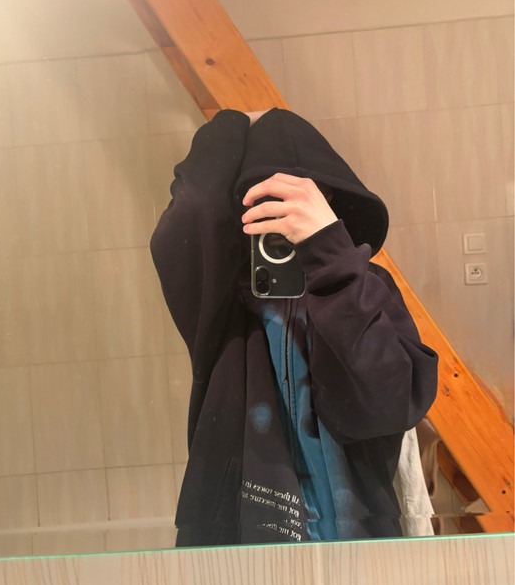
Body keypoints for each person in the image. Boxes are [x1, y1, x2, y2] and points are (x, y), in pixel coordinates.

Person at [150, 108, 438, 546]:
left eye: (297, 204)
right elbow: (195, 208)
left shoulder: (364, 285)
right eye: (263, 207)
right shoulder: (221, 295)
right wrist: (232, 121)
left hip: (357, 544)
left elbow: (393, 402)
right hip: (240, 547)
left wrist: (329, 252)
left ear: (327, 205)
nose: (282, 223)